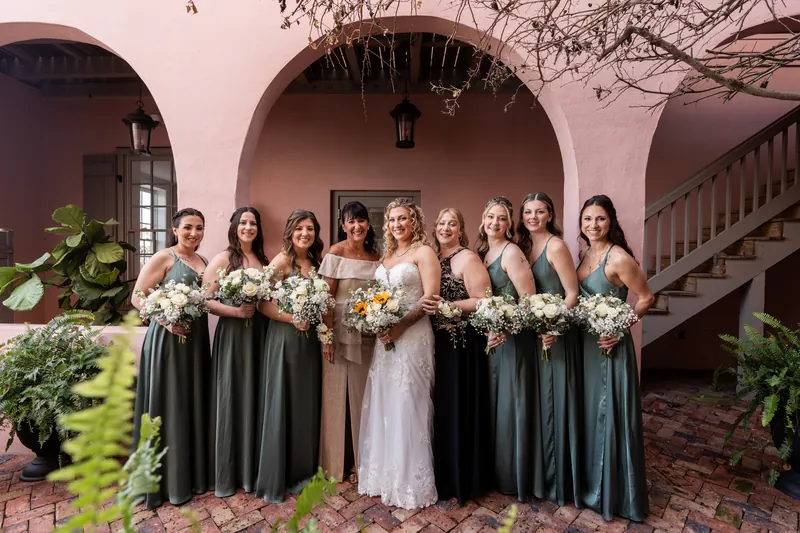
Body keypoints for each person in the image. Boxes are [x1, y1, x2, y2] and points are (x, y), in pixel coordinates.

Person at [357, 198, 441, 509]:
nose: (396, 224)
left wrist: (401, 325)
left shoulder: (424, 252)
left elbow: (431, 297)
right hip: (386, 338)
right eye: (392, 219)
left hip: (413, 335)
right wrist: (376, 320)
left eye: (403, 218)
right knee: (386, 400)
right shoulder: (388, 256)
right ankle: (384, 477)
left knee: (409, 401)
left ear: (414, 220)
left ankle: (410, 483)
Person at [575, 194, 654, 521]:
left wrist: (620, 329)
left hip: (608, 348)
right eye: (587, 219)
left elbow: (646, 297)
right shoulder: (584, 254)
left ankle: (614, 493)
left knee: (607, 415)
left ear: (611, 222)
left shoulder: (619, 257)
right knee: (588, 414)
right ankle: (589, 483)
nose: (593, 225)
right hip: (583, 346)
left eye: (600, 218)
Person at [132, 207, 212, 508]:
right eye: (188, 227)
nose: (194, 233)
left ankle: (189, 476)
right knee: (168, 404)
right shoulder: (164, 257)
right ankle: (162, 482)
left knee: (191, 402)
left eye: (199, 227)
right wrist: (165, 319)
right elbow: (137, 296)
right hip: (167, 341)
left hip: (195, 342)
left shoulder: (205, 261)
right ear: (175, 230)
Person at [422, 208, 492, 503]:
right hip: (432, 342)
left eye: (452, 224)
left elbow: (484, 301)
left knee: (454, 407)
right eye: (442, 223)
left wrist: (449, 307)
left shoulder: (468, 258)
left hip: (459, 343)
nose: (446, 228)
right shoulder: (431, 257)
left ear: (461, 230)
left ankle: (458, 478)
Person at [254, 209, 324, 502]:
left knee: (305, 401)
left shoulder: (316, 262)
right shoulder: (282, 261)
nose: (305, 234)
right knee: (283, 399)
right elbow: (261, 303)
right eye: (299, 229)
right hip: (285, 338)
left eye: (310, 229)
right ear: (290, 232)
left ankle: (303, 470)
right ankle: (278, 475)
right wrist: (291, 319)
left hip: (309, 343)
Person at [517, 192, 582, 505]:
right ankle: (535, 474)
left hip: (555, 337)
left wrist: (554, 327)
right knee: (536, 404)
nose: (533, 217)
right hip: (532, 336)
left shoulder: (556, 246)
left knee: (553, 404)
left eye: (540, 211)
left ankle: (557, 480)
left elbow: (572, 293)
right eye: (528, 212)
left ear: (550, 215)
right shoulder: (523, 247)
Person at [203, 207, 270, 497]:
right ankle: (228, 472)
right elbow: (205, 299)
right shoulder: (224, 258)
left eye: (253, 223)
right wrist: (236, 312)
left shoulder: (263, 260)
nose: (248, 227)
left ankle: (252, 469)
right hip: (233, 334)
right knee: (232, 395)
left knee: (256, 394)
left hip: (260, 334)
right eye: (243, 222)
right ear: (234, 227)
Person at [318, 201, 380, 483]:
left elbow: (380, 296)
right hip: (338, 333)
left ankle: (361, 462)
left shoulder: (375, 256)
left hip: (366, 334)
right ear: (343, 225)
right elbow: (326, 299)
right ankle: (335, 464)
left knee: (363, 396)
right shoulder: (336, 252)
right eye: (351, 221)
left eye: (361, 220)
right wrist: (327, 338)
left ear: (368, 223)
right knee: (335, 397)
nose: (357, 226)